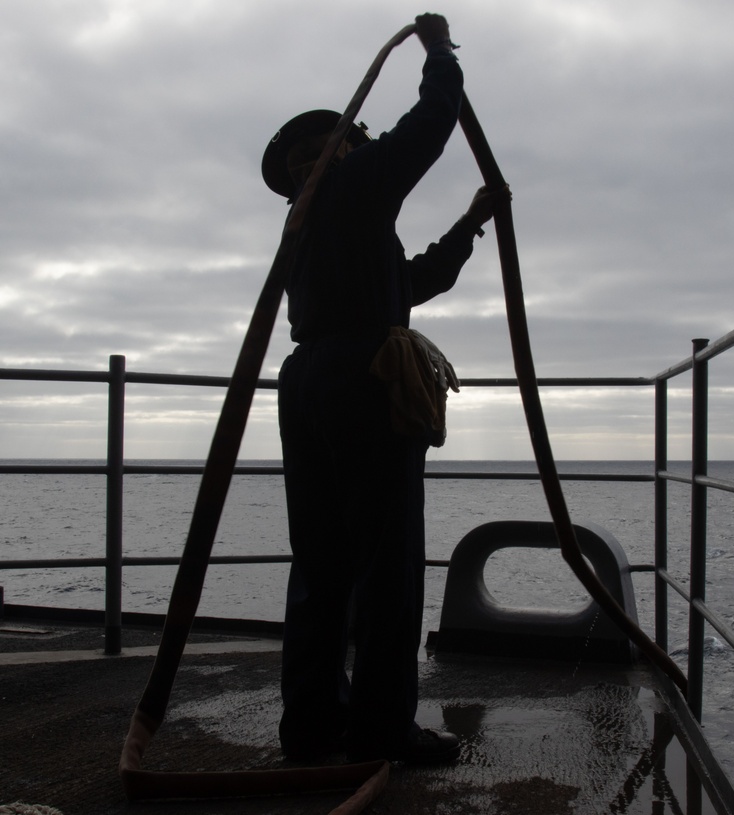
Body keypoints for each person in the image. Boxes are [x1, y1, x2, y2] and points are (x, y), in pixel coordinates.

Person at [261, 13, 506, 765]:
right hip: (364, 379)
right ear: (336, 149)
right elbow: (432, 123)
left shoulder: (311, 225)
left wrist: (469, 224)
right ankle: (380, 730)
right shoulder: (351, 180)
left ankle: (311, 724)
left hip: (306, 382)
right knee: (389, 563)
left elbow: (408, 282)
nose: (365, 144)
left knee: (323, 559)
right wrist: (439, 51)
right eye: (353, 138)